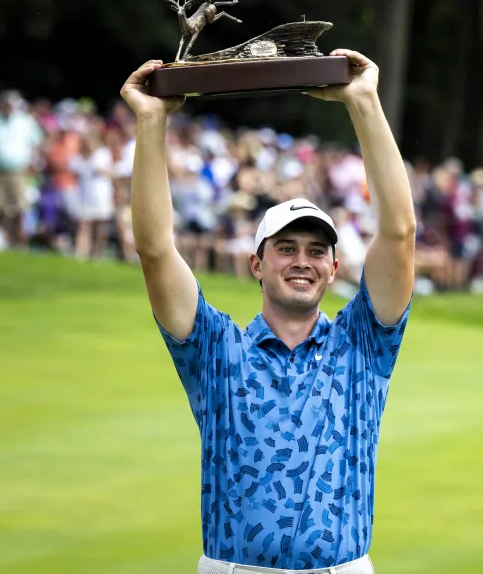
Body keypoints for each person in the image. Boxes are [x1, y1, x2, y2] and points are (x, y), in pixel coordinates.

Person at [120, 50, 416, 574]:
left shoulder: (362, 343)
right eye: (286, 248)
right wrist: (151, 121)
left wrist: (364, 101)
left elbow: (399, 232)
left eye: (316, 250)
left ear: (333, 267)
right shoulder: (217, 349)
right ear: (257, 263)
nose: (302, 261)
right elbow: (155, 249)